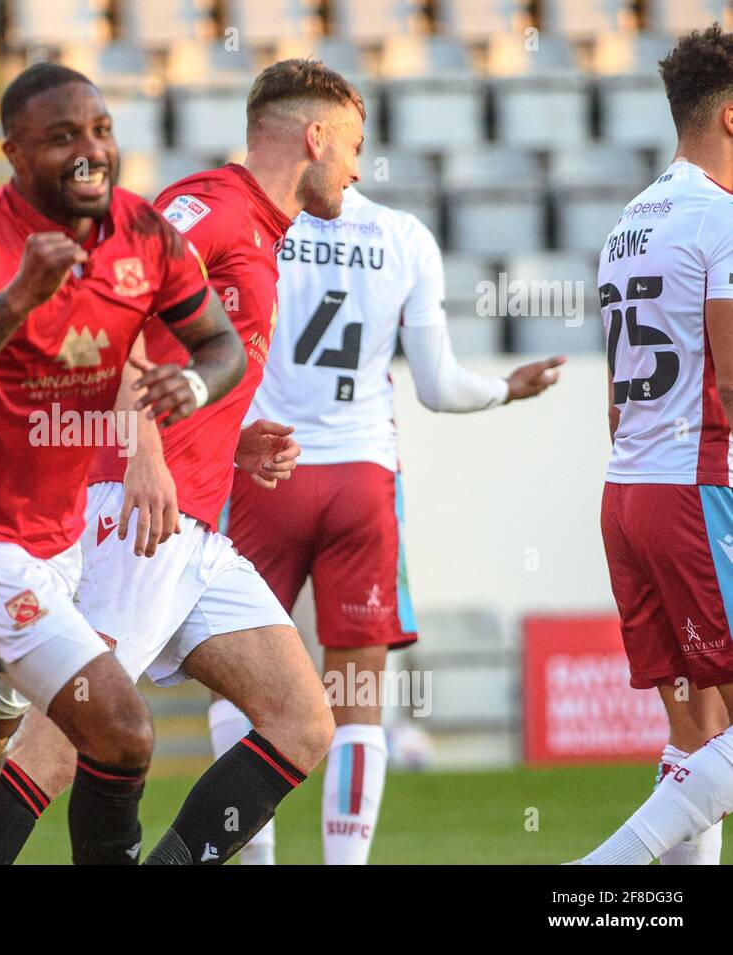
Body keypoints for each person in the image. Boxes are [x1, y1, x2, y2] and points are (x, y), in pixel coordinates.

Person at [0, 58, 363, 866]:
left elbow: (176, 352)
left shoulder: (261, 230)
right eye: (354, 146)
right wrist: (144, 452)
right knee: (70, 736)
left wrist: (231, 435)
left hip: (196, 534)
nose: (357, 169)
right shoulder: (209, 206)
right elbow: (114, 309)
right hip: (135, 516)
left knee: (302, 719)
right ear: (315, 137)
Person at [0, 62, 246, 865]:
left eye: (101, 130)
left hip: (52, 543)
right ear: (14, 153)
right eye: (62, 138)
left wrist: (189, 379)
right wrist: (16, 297)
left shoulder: (144, 234)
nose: (90, 152)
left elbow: (222, 345)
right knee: (120, 731)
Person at [224, 185, 562, 864]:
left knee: (242, 689)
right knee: (358, 701)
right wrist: (505, 387)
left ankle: (252, 858)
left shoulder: (255, 225)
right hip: (361, 480)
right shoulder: (402, 235)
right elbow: (437, 385)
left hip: (265, 469)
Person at [579, 24, 733, 865]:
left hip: (629, 492)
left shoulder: (628, 224)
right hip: (698, 488)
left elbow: (612, 396)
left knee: (697, 734)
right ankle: (599, 875)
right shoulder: (723, 218)